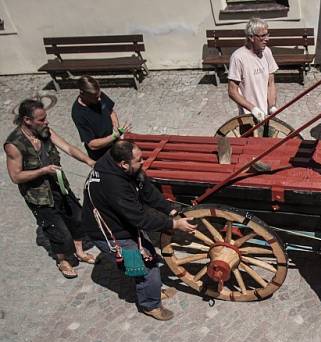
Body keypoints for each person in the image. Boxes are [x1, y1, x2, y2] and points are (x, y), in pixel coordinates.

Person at [83, 140, 197, 321]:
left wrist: (170, 211)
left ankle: (151, 291)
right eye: (139, 160)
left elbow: (146, 190)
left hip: (122, 222)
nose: (143, 162)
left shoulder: (122, 165)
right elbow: (139, 217)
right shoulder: (114, 185)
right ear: (124, 164)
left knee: (148, 255)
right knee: (144, 268)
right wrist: (173, 225)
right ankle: (150, 305)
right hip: (110, 233)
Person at [4, 99, 97, 279]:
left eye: (45, 117)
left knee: (77, 218)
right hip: (39, 196)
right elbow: (16, 177)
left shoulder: (45, 131)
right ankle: (63, 260)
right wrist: (43, 170)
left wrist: (88, 161)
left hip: (59, 185)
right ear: (27, 120)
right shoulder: (14, 145)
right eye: (41, 119)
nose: (46, 122)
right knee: (58, 232)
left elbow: (68, 148)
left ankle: (79, 251)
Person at [228, 17, 279, 128]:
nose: (267, 39)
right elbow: (232, 91)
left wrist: (272, 106)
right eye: (262, 36)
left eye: (267, 34)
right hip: (249, 117)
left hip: (266, 115)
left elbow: (271, 83)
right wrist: (253, 109)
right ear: (251, 37)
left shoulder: (267, 52)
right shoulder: (238, 57)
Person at [71, 76, 131, 161]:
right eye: (95, 97)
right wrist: (114, 136)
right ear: (82, 93)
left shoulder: (97, 95)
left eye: (99, 95)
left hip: (115, 144)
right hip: (102, 154)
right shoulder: (78, 113)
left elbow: (110, 111)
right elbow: (92, 144)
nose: (99, 99)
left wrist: (115, 125)